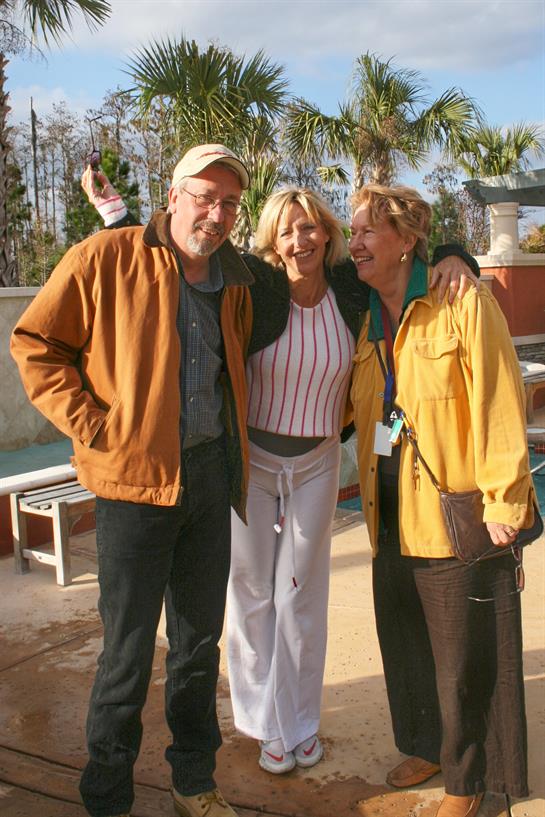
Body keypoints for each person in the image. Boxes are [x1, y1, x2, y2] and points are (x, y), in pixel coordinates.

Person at [81, 171, 479, 777]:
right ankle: (265, 724)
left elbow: (410, 250)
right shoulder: (254, 284)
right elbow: (175, 253)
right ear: (273, 240)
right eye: (289, 230)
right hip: (251, 467)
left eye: (312, 226)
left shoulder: (350, 286)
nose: (302, 239)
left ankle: (300, 723)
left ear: (328, 233)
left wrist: (456, 254)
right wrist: (114, 211)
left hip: (318, 462)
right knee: (251, 593)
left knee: (300, 597)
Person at [11, 144, 254, 817]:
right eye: (204, 196)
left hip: (208, 480)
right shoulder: (106, 257)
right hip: (131, 486)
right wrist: (92, 424)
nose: (217, 212)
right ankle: (107, 797)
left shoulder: (235, 276)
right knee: (124, 655)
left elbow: (321, 279)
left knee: (199, 646)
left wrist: (452, 259)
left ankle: (192, 780)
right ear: (171, 196)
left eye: (229, 202)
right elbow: (35, 344)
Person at [348, 183, 535, 817]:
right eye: (352, 233)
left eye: (368, 232)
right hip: (389, 518)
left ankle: (468, 782)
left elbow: (498, 401)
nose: (354, 244)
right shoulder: (369, 321)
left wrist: (506, 499)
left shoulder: (462, 302)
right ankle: (427, 746)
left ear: (406, 241)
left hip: (451, 520)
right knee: (407, 648)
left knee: (464, 662)